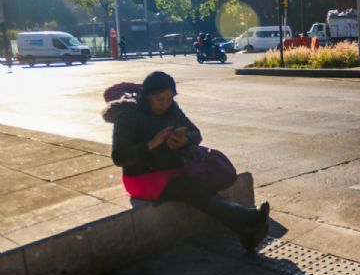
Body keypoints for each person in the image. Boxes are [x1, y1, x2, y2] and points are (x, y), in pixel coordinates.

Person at [103, 71, 270, 252]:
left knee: (201, 186)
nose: (165, 104)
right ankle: (247, 217)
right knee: (192, 190)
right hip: (142, 177)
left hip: (172, 169)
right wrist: (152, 143)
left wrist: (185, 140)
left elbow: (196, 133)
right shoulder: (129, 113)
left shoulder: (172, 108)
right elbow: (119, 157)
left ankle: (245, 233)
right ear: (148, 95)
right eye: (160, 99)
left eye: (169, 98)